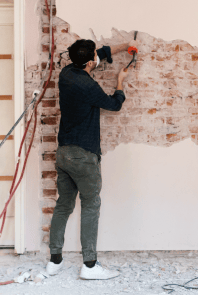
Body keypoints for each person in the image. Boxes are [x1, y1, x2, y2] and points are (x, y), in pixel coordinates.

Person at [46, 38, 138, 280]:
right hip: (83, 155)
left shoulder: (66, 73)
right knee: (90, 206)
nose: (97, 57)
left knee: (63, 205)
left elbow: (99, 53)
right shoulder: (88, 87)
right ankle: (89, 266)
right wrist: (120, 81)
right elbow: (113, 104)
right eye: (94, 56)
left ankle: (54, 262)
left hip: (63, 153)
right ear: (89, 62)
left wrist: (124, 45)